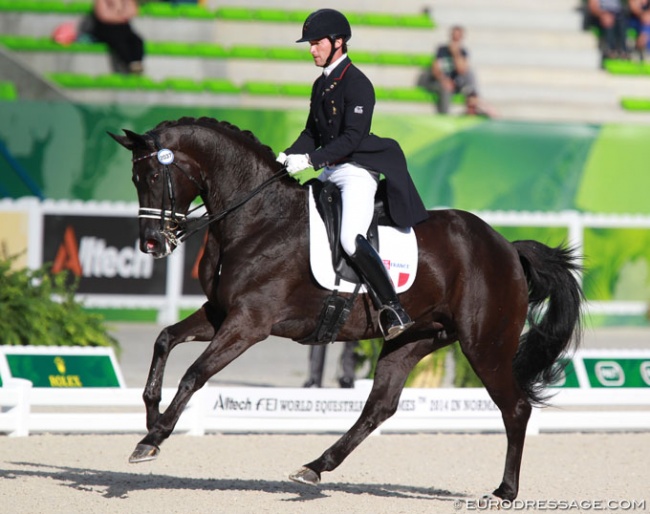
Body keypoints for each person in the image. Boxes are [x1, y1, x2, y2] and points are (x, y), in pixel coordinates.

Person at [276, 9, 429, 341]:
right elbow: (311, 132)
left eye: (317, 43)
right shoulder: (321, 84)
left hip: (356, 171)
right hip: (331, 168)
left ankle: (392, 307)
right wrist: (287, 155)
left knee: (349, 238)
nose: (312, 49)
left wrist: (311, 160)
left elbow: (352, 139)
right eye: (311, 44)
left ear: (338, 42)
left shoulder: (358, 84)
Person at [428, 25, 478, 115]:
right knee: (446, 88)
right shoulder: (442, 50)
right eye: (454, 36)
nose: (455, 39)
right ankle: (444, 116)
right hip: (442, 81)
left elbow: (462, 70)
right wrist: (444, 80)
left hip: (456, 82)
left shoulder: (463, 52)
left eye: (458, 36)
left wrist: (455, 53)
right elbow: (435, 69)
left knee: (470, 78)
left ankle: (472, 112)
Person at [86, 0, 145, 74]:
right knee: (119, 42)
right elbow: (103, 15)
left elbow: (133, 11)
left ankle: (136, 62)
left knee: (137, 40)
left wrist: (116, 15)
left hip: (123, 28)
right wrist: (120, 16)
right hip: (107, 28)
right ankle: (128, 63)